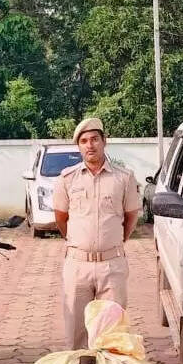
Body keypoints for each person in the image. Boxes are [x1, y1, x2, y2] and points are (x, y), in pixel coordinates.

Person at [52, 117, 142, 349]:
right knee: (76, 331)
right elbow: (61, 218)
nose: (89, 145)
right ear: (79, 146)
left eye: (94, 139)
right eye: (84, 141)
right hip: (77, 265)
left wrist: (114, 241)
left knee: (111, 331)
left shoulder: (124, 177)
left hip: (112, 265)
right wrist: (78, 242)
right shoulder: (67, 178)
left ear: (104, 141)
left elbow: (131, 216)